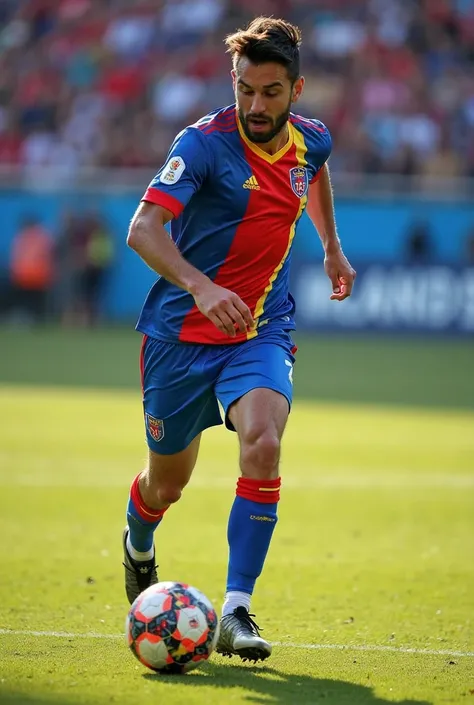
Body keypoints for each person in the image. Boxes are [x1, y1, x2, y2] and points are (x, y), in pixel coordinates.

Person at [123, 16, 356, 664]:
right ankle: (138, 538)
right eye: (245, 90)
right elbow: (142, 230)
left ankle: (235, 609)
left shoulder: (312, 141)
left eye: (271, 92)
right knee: (166, 484)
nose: (255, 105)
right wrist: (200, 286)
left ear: (297, 89)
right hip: (178, 336)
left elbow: (316, 172)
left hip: (259, 327)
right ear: (234, 81)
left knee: (264, 440)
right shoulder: (201, 144)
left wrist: (332, 246)